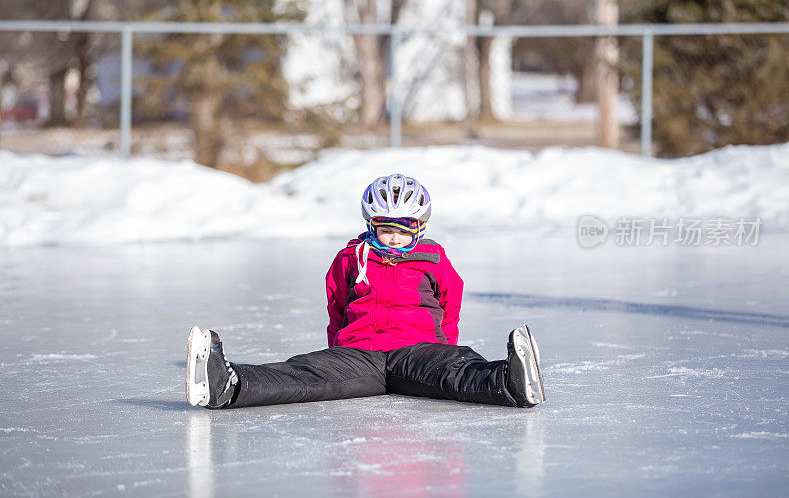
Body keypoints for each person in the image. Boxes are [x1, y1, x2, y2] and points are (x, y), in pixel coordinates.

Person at [186, 173, 545, 410]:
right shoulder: (350, 259)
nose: (394, 237)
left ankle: (511, 381)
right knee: (306, 375)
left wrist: (443, 349)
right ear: (370, 224)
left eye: (403, 229)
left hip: (416, 350)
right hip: (360, 355)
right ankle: (227, 383)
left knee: (456, 371)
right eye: (385, 228)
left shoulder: (433, 260)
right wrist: (337, 354)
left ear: (419, 227)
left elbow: (451, 305)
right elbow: (337, 307)